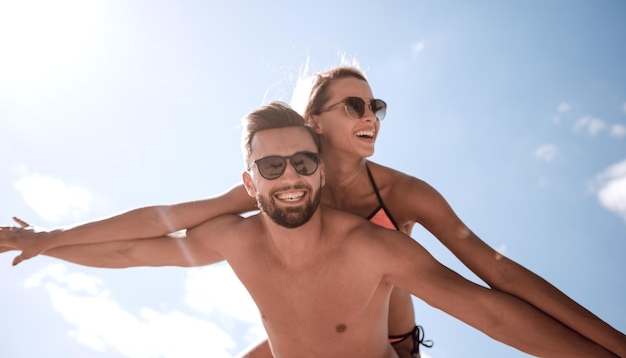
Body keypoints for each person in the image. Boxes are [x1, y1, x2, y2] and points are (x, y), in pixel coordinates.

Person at [3, 66, 626, 357]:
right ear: (314, 121)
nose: (369, 118)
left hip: (385, 335)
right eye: (353, 106)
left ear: (317, 163)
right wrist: (49, 239)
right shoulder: (266, 197)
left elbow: (496, 287)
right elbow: (158, 227)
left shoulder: (398, 200)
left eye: (374, 105)